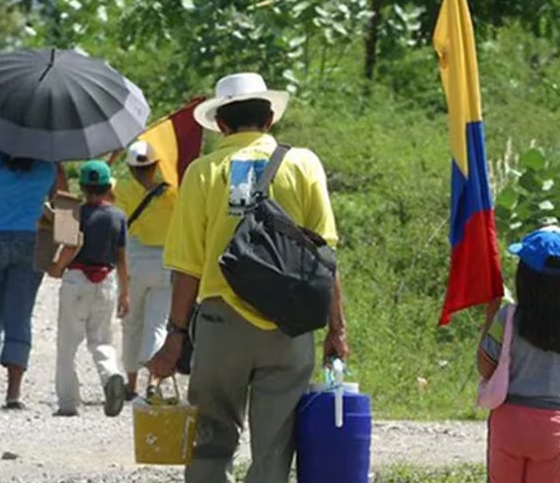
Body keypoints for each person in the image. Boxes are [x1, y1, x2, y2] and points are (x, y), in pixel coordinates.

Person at [148, 72, 350, 483]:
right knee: (275, 448)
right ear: (270, 118)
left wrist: (174, 336)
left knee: (211, 437)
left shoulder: (203, 172)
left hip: (222, 324)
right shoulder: (303, 163)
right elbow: (325, 256)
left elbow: (187, 265)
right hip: (289, 325)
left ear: (221, 124)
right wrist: (337, 328)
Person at [477, 225, 560, 483]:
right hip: (552, 427)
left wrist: (491, 314)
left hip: (509, 422)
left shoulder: (508, 318)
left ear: (525, 277)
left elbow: (485, 367)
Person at [48, 160, 129, 417]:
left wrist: (57, 268)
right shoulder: (118, 216)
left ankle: (68, 403)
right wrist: (125, 292)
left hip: (77, 280)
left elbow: (70, 247)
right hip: (106, 281)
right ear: (108, 187)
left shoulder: (73, 213)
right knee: (102, 340)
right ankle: (112, 374)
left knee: (68, 344)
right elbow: (122, 257)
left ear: (82, 187)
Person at [112, 141, 176, 400]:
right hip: (165, 260)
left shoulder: (121, 189)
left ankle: (131, 383)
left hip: (134, 259)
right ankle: (154, 380)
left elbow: (99, 181)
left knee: (132, 324)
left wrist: (112, 156)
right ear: (156, 165)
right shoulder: (173, 193)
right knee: (157, 324)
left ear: (129, 166)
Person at [0, 154, 61, 409]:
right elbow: (64, 205)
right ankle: (14, 392)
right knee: (20, 314)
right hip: (32, 241)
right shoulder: (50, 163)